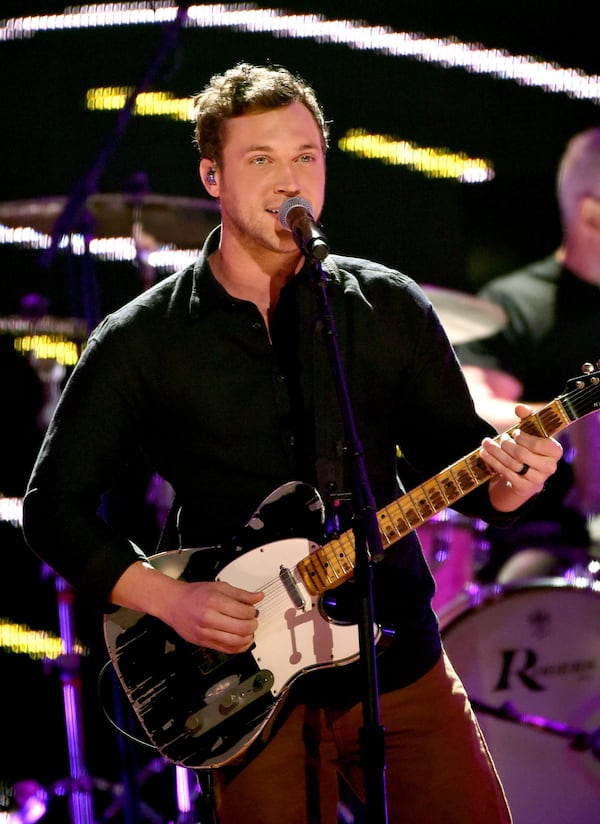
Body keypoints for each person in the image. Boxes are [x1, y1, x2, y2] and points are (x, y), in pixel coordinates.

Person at [22, 61, 563, 824]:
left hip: (396, 658)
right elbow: (53, 508)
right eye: (261, 159)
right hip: (243, 687)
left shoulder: (383, 306)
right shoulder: (145, 338)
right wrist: (170, 600)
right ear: (212, 175)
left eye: (306, 156)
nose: (290, 179)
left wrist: (516, 477)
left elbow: (458, 460)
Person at [456, 127, 600, 584]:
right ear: (591, 212)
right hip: (546, 540)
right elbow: (476, 412)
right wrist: (580, 422)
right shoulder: (514, 303)